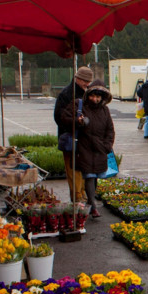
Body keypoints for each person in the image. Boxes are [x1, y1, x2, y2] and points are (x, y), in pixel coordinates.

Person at [59, 80, 114, 218]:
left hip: (99, 148)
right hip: (84, 147)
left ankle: (90, 202)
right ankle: (93, 206)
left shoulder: (104, 110)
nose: (95, 99)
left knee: (95, 176)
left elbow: (110, 130)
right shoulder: (79, 105)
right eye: (92, 96)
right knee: (89, 176)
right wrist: (77, 121)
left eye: (98, 96)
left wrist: (107, 145)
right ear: (88, 95)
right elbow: (64, 118)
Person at [54, 65, 93, 203]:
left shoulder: (87, 93)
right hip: (70, 137)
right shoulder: (66, 94)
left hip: (84, 138)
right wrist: (76, 122)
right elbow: (59, 118)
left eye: (89, 82)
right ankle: (77, 196)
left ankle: (82, 193)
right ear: (77, 78)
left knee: (82, 167)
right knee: (73, 168)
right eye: (85, 81)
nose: (87, 84)